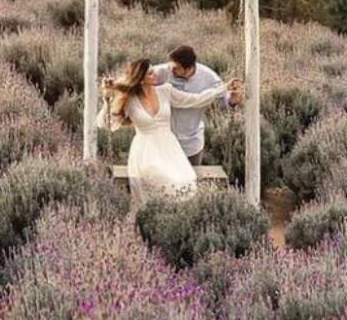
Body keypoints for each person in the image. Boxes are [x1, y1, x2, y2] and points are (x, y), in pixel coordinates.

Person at [99, 58, 244, 206]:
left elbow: (195, 99)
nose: (155, 75)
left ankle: (174, 220)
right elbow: (107, 124)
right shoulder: (130, 101)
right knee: (159, 177)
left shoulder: (165, 91)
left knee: (184, 181)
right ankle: (153, 216)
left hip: (170, 150)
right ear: (140, 79)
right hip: (145, 152)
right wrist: (107, 99)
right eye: (150, 74)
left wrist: (223, 88)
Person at [153, 45, 242, 168]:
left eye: (176, 69)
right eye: (171, 66)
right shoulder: (161, 72)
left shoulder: (209, 77)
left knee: (191, 182)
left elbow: (222, 99)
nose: (171, 70)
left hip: (191, 143)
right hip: (163, 141)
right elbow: (137, 77)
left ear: (189, 68)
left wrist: (231, 100)